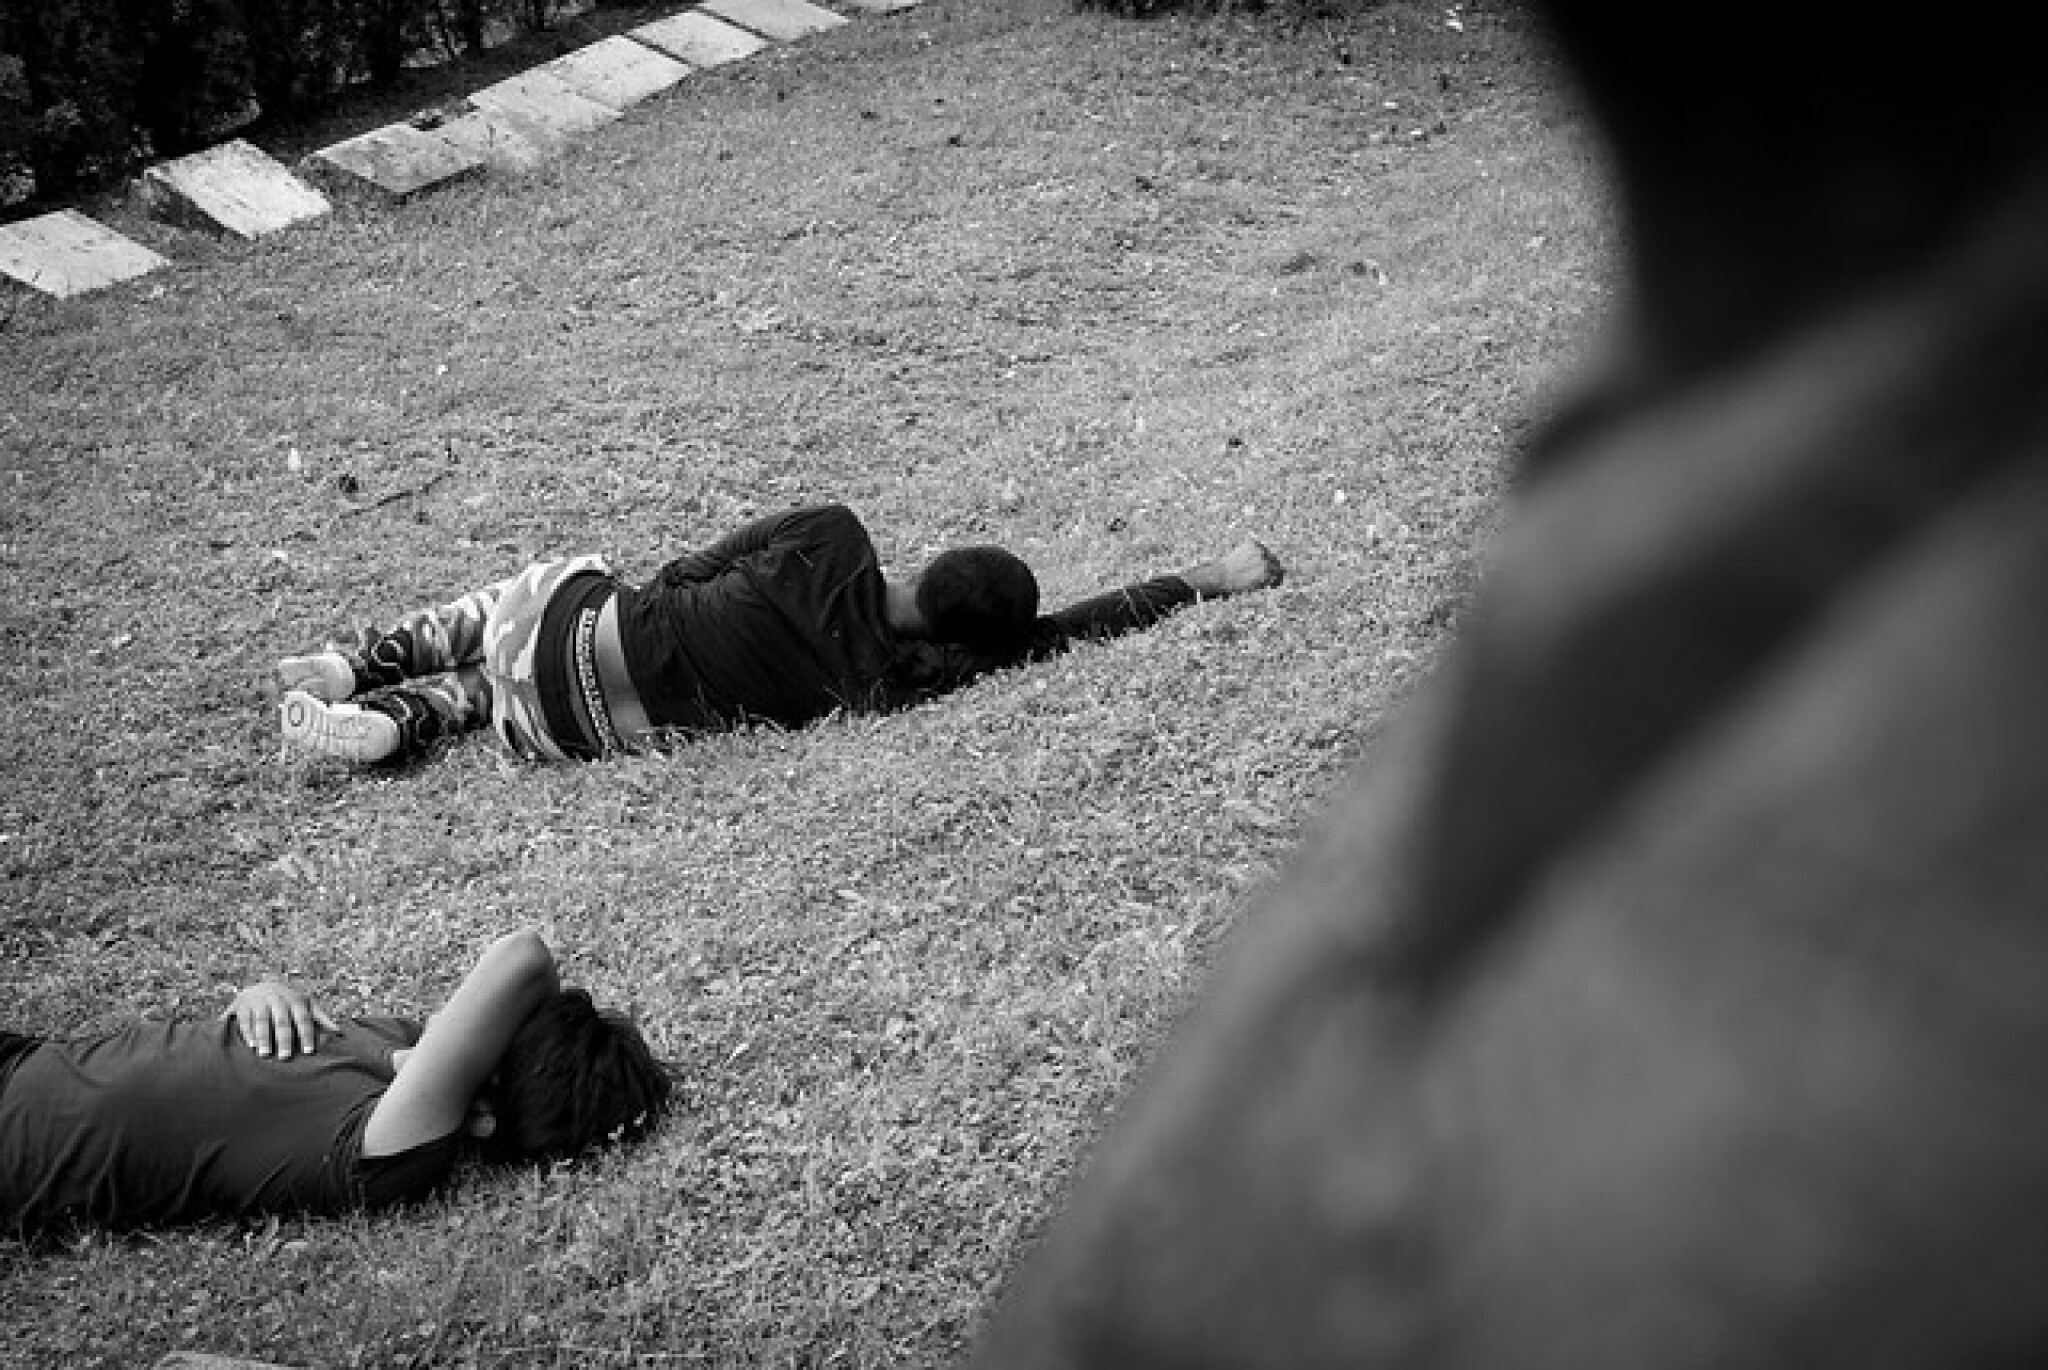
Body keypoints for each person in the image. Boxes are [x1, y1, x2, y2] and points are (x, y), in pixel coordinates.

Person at [275, 503, 1284, 766]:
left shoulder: (833, 536)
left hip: (575, 627)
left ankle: (356, 663)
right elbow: (1073, 627)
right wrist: (1213, 576)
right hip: (575, 733)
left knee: (510, 608)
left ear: (932, 561)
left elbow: (697, 564)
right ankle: (408, 719)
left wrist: (658, 598)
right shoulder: (900, 681)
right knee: (496, 702)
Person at [1, 930, 671, 1235]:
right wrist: (260, 993)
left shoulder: (396, 1148)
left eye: (489, 1034)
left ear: (484, 1107)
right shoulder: (405, 1042)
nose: (453, 1014)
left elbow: (523, 957)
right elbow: (245, 1087)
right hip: (31, 1060)